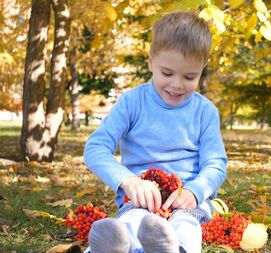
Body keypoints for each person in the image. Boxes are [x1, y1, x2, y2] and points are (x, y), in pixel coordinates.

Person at [83, 10, 227, 253]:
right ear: (151, 62)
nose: (177, 84)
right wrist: (128, 181)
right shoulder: (132, 102)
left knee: (186, 225)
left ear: (202, 69)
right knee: (133, 220)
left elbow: (216, 164)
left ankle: (174, 249)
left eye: (190, 76)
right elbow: (95, 148)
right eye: (167, 73)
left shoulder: (205, 111)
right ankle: (111, 247)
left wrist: (195, 191)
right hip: (140, 198)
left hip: (187, 200)